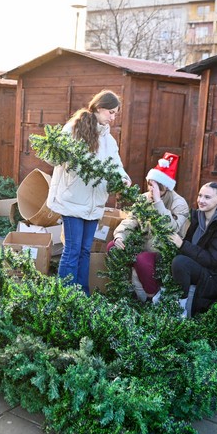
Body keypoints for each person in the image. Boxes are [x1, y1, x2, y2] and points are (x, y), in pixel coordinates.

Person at [46, 89, 131, 295]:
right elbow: (53, 158)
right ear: (99, 107)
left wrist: (123, 177)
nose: (113, 117)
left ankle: (82, 294)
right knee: (72, 250)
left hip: (95, 202)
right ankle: (65, 295)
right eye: (111, 112)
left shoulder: (109, 139)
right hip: (73, 200)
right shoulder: (74, 128)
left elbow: (115, 164)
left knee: (85, 250)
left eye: (115, 114)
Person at [110, 153, 189, 301]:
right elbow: (131, 219)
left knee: (142, 259)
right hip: (143, 243)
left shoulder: (178, 203)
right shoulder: (144, 198)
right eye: (150, 185)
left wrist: (158, 202)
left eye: (157, 187)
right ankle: (122, 291)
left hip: (165, 250)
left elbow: (172, 228)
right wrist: (120, 235)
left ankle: (151, 298)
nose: (152, 190)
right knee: (113, 247)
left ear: (167, 187)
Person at [168, 182, 217, 317]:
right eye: (200, 195)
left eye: (207, 197)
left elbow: (213, 260)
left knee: (180, 262)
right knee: (165, 257)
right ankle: (160, 298)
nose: (201, 200)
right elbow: (190, 245)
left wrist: (182, 245)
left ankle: (180, 309)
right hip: (201, 265)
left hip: (216, 274)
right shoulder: (198, 217)